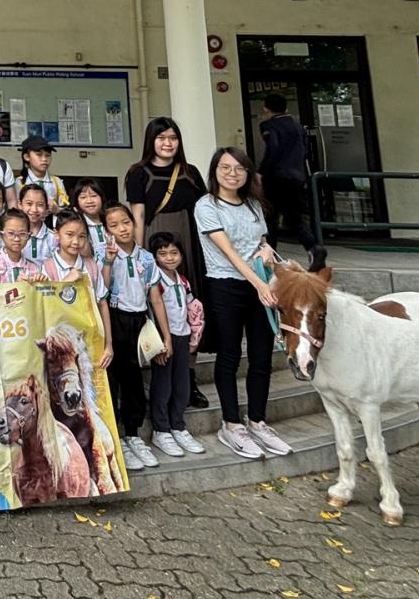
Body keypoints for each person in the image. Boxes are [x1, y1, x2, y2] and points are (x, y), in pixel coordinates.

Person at [195, 146, 293, 462]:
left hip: (260, 285)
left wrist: (266, 251)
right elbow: (229, 252)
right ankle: (231, 424)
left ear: (248, 173)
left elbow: (260, 241)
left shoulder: (253, 204)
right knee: (230, 355)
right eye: (225, 168)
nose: (232, 174)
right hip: (226, 285)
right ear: (215, 171)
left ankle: (258, 421)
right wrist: (259, 284)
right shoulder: (206, 205)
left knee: (262, 356)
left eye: (239, 168)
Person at [124, 117, 210, 409]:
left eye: (173, 138)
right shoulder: (138, 173)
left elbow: (204, 210)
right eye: (161, 138)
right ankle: (162, 376)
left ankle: (189, 377)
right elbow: (137, 216)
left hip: (188, 244)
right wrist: (138, 254)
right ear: (151, 141)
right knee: (158, 305)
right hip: (153, 240)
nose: (168, 143)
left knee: (188, 308)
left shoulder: (190, 172)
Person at [102, 202, 170, 471]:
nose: (122, 229)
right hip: (113, 320)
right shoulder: (104, 254)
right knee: (112, 380)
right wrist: (108, 261)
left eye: (126, 222)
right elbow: (102, 290)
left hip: (138, 322)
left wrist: (166, 337)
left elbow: (156, 299)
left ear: (134, 223)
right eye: (114, 225)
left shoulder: (147, 258)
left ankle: (133, 435)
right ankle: (116, 437)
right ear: (107, 230)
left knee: (134, 379)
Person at [146, 231, 206, 459]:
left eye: (174, 253)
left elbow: (192, 308)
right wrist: (161, 341)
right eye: (163, 254)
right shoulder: (156, 279)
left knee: (182, 385)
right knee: (163, 385)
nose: (169, 258)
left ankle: (178, 426)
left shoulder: (182, 280)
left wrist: (195, 335)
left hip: (183, 336)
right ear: (154, 256)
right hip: (165, 338)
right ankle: (161, 430)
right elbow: (152, 309)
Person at [258, 94, 324, 264]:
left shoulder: (268, 125)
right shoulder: (298, 127)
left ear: (266, 108)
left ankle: (271, 255)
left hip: (275, 177)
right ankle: (313, 247)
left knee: (270, 217)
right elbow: (305, 151)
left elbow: (273, 149)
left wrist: (261, 172)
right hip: (296, 177)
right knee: (294, 217)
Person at [51, 210, 111, 336]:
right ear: (56, 234)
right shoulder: (47, 267)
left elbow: (102, 304)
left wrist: (109, 342)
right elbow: (47, 307)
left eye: (82, 236)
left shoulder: (91, 266)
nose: (76, 241)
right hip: (61, 337)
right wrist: (65, 282)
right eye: (70, 234)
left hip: (92, 335)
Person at [0, 209, 43, 285]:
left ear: (29, 236)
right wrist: (18, 286)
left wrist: (40, 284)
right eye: (11, 233)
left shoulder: (34, 267)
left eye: (22, 234)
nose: (17, 239)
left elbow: (37, 292)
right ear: (1, 234)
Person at [16, 134, 70, 215]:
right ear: (27, 157)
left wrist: (57, 209)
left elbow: (66, 210)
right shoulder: (20, 182)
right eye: (39, 155)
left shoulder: (56, 182)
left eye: (48, 155)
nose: (44, 159)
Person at [18, 183, 57, 264]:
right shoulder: (15, 236)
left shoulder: (53, 238)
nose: (34, 209)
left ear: (46, 208)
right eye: (29, 204)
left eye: (40, 205)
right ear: (20, 205)